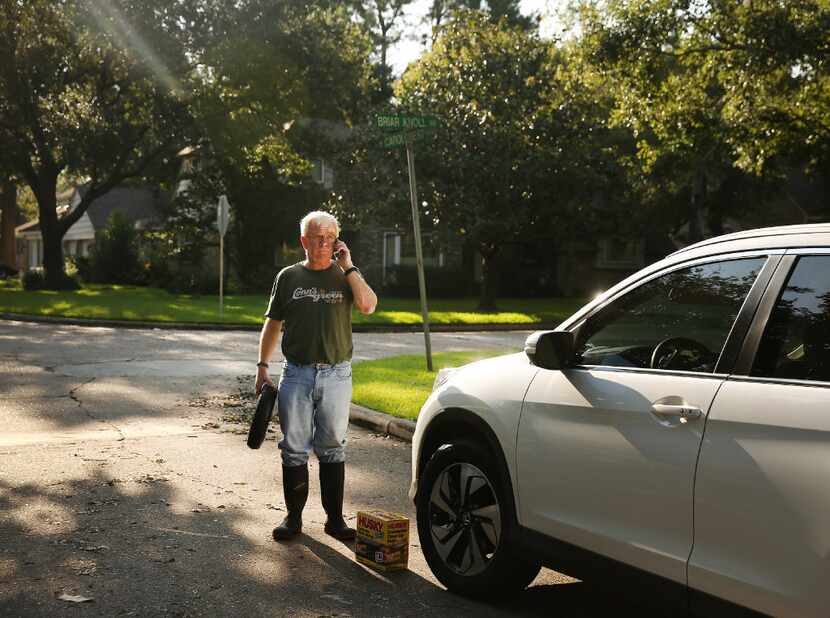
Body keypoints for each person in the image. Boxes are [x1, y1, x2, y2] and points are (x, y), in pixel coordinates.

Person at [255, 211, 377, 541]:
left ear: (336, 240)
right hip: (296, 374)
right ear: (303, 241)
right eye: (315, 237)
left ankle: (334, 519)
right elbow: (273, 323)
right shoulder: (289, 277)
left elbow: (368, 306)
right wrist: (262, 366)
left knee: (333, 446)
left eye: (328, 237)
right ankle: (293, 518)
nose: (321, 243)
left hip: (337, 374)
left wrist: (349, 265)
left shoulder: (346, 276)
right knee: (293, 447)